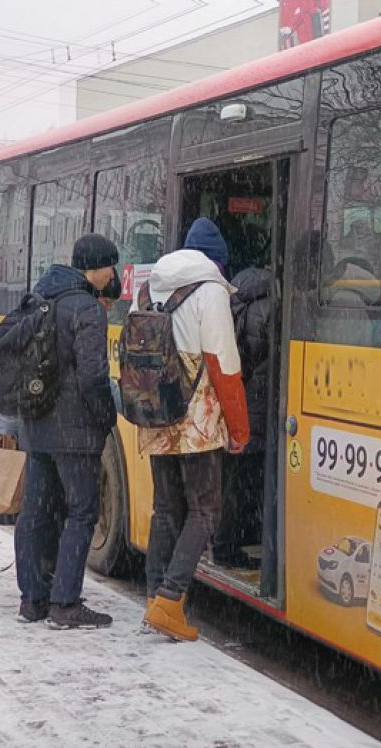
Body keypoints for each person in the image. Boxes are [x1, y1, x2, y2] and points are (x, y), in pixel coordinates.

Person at [140, 218, 250, 640]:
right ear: (216, 262)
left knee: (166, 509)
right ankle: (170, 600)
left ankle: (155, 598)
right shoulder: (211, 291)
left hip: (156, 411)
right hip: (195, 419)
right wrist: (239, 430)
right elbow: (223, 365)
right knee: (205, 511)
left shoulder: (149, 287)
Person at [14, 233, 119, 630]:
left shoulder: (41, 297)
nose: (113, 273)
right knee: (82, 511)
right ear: (96, 267)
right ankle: (65, 604)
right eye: (111, 265)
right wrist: (106, 416)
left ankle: (32, 599)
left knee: (36, 512)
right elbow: (93, 378)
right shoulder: (87, 309)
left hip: (37, 423)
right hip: (75, 431)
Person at [212, 260, 273, 569]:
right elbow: (264, 356)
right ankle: (228, 547)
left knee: (231, 479)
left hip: (235, 401)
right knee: (244, 483)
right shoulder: (271, 304)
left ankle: (221, 541)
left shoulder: (233, 296)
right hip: (259, 405)